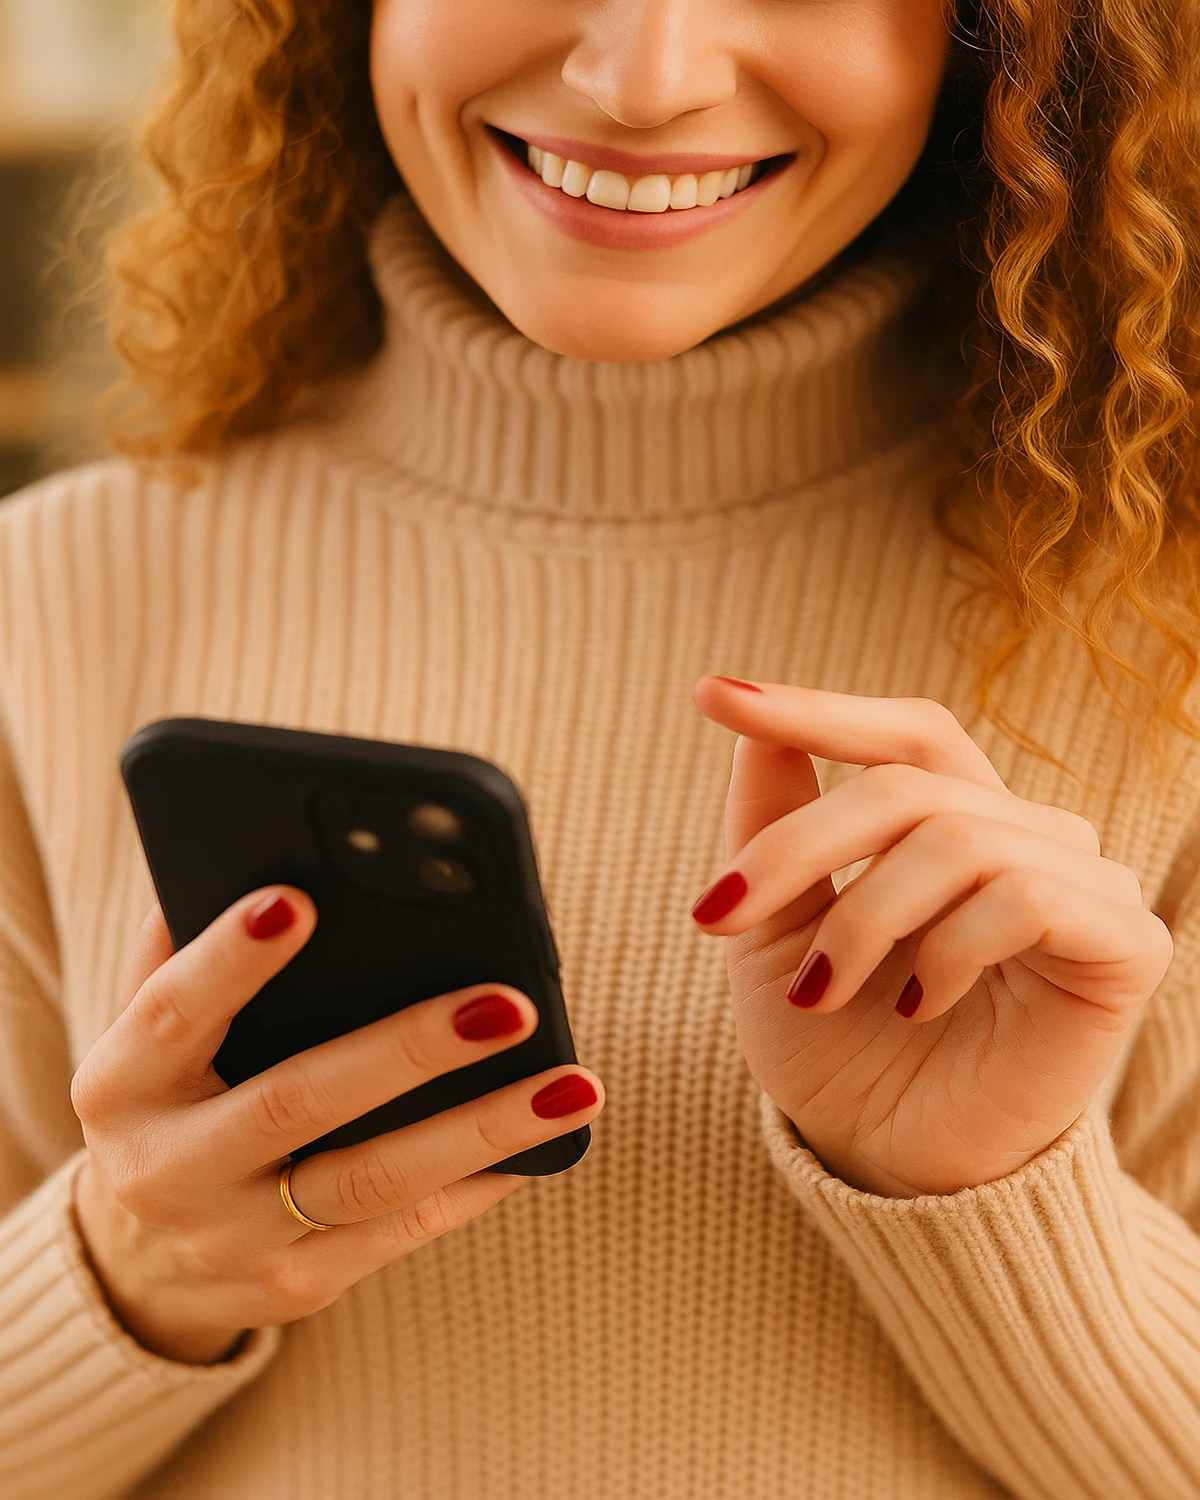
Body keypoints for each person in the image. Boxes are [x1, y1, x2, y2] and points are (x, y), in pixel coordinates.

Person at [1, 0, 1198, 1494]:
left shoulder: (1170, 642)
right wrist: (132, 1272)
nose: (645, 82)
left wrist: (995, 1193)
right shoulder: (47, 598)